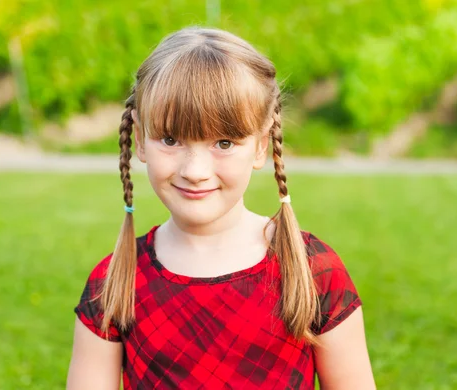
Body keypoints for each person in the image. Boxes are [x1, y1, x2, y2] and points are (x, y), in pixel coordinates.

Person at [66, 26, 375, 389]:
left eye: (224, 143)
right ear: (140, 140)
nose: (195, 171)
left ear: (261, 146)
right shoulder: (114, 284)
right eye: (170, 139)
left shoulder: (312, 271)